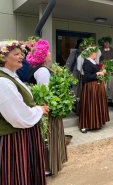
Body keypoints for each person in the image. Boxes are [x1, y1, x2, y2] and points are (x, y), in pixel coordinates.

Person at [0, 40, 49, 185]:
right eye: (16, 54)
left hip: (21, 133)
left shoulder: (12, 76)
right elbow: (18, 116)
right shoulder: (3, 82)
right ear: (3, 58)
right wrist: (39, 110)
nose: (21, 56)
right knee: (16, 173)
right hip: (14, 137)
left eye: (21, 53)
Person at [27, 39, 67, 176]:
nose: (50, 53)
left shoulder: (41, 69)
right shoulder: (43, 71)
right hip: (47, 110)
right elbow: (46, 94)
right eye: (48, 51)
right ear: (43, 55)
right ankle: (48, 166)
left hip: (46, 109)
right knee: (48, 137)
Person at [79, 45, 110, 133]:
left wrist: (102, 71)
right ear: (90, 53)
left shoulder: (93, 61)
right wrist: (99, 73)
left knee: (95, 106)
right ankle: (84, 125)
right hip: (90, 88)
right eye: (95, 52)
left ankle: (95, 123)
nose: (96, 54)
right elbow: (87, 77)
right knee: (89, 106)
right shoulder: (86, 62)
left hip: (96, 87)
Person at [98, 36, 113, 107]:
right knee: (103, 84)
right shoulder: (100, 50)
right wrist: (100, 68)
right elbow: (98, 60)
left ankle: (110, 100)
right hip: (102, 69)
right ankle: (102, 99)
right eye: (105, 43)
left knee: (111, 85)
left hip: (110, 69)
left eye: (108, 43)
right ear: (103, 43)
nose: (106, 44)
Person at [66, 38, 83, 114]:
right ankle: (75, 106)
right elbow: (69, 64)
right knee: (75, 90)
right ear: (78, 45)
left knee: (82, 90)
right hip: (76, 74)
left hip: (83, 74)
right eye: (81, 44)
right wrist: (68, 74)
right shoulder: (75, 53)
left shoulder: (86, 53)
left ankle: (81, 107)